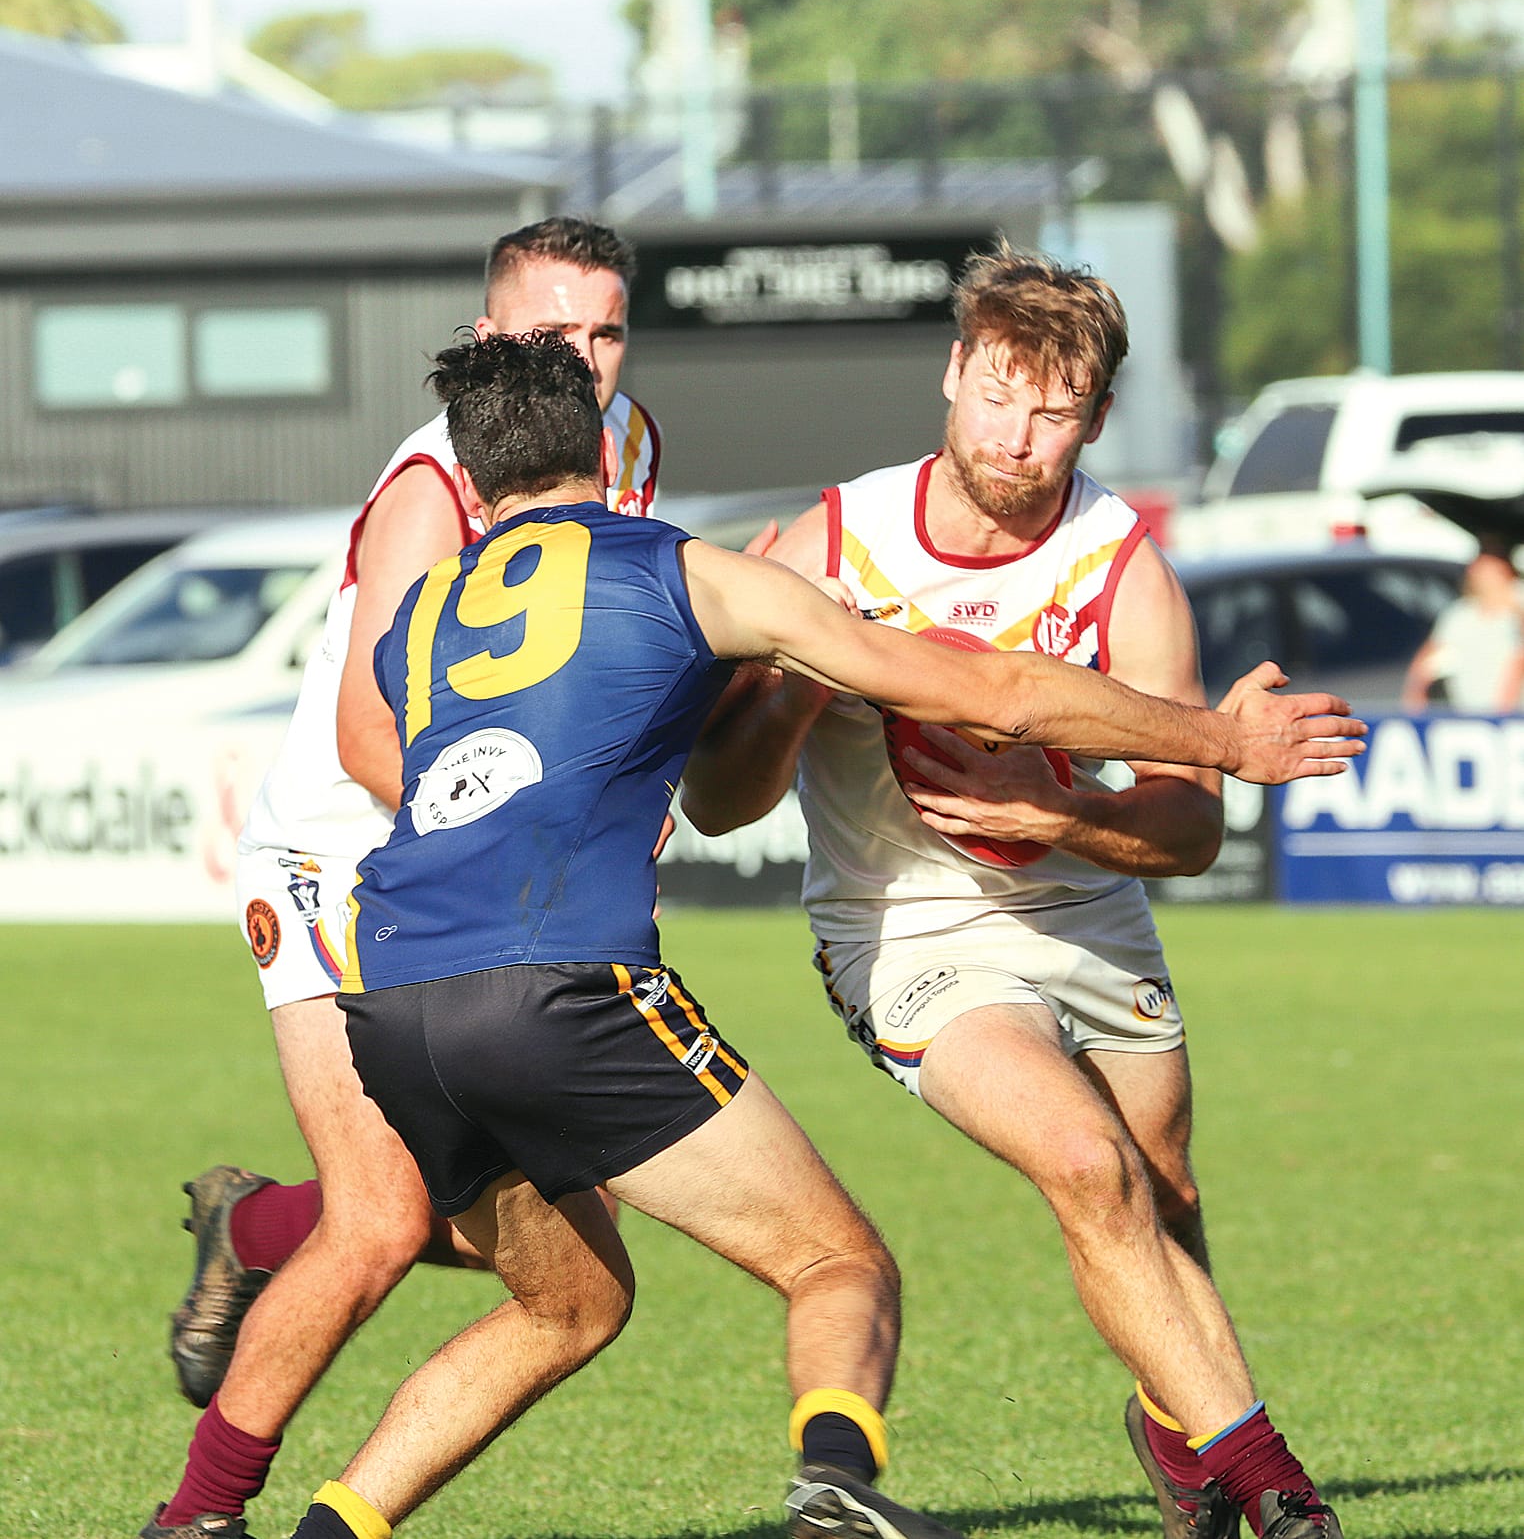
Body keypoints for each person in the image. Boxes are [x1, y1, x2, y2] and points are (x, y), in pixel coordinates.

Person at [280, 327, 1360, 1539]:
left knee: (567, 1305)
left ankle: (325, 1528)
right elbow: (988, 692)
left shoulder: (416, 616)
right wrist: (1225, 742)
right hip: (559, 986)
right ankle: (846, 1497)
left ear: (469, 487)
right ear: (605, 445)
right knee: (840, 1264)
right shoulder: (682, 567)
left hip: (387, 997)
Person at [680, 246, 1349, 1539]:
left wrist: (1067, 812)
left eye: (1053, 410)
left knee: (1164, 1197)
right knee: (1087, 1164)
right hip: (907, 926)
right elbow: (718, 802)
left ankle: (1179, 1432)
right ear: (953, 372)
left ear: (1095, 416)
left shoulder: (1117, 562)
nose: (1018, 434)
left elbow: (1190, 829)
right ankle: (1274, 1488)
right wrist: (817, 671)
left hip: (1084, 907)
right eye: (998, 392)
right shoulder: (834, 540)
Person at [141, 218, 664, 1539]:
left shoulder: (628, 446)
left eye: (605, 331)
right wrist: (536, 832)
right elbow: (376, 735)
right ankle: (194, 1517)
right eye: (554, 335)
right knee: (381, 1222)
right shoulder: (439, 485)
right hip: (341, 856)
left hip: (465, 870)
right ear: (489, 339)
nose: (587, 360)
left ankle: (255, 1229)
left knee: (547, 1260)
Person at [1401, 539, 1524, 714]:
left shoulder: (1518, 608)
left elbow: (1518, 661)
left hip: (1514, 716)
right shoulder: (1460, 614)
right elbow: (1429, 658)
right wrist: (1416, 696)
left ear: (1505, 570)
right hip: (1470, 714)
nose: (1483, 575)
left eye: (1490, 569)